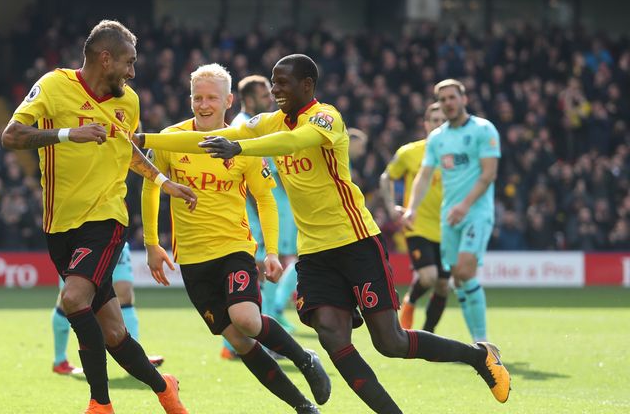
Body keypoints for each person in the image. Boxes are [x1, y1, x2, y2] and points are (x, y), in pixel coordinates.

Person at [134, 55, 510, 412]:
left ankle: (478, 356)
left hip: (355, 239)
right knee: (332, 336)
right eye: (273, 84)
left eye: (282, 83)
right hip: (313, 250)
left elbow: (294, 142)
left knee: (390, 342)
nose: (275, 91)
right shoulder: (270, 121)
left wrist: (240, 146)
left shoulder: (326, 118)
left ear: (307, 84)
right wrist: (146, 139)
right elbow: (207, 138)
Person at [1, 20, 196, 414]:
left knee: (74, 299)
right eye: (129, 62)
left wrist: (163, 180)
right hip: (59, 225)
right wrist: (66, 134)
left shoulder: (130, 102)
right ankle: (165, 389)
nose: (133, 72)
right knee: (113, 333)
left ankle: (100, 404)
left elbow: (129, 152)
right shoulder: (55, 86)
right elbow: (11, 135)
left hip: (107, 219)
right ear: (105, 59)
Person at [141, 63, 329, 414]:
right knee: (240, 343)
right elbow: (151, 187)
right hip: (193, 260)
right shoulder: (170, 139)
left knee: (246, 319)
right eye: (198, 97)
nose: (204, 104)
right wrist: (152, 243)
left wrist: (271, 251)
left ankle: (305, 360)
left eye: (212, 97)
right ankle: (302, 407)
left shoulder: (243, 144)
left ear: (228, 100)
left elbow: (265, 198)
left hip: (234, 249)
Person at [404, 79, 501, 344]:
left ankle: (484, 345)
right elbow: (424, 177)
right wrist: (412, 208)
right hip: (450, 216)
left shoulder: (483, 130)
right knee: (457, 280)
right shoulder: (437, 138)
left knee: (465, 273)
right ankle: (479, 345)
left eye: (452, 97)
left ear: (463, 99)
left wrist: (465, 205)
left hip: (475, 212)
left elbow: (489, 173)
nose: (448, 103)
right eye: (443, 99)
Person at [220, 75, 299, 362]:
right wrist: (261, 227)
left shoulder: (259, 126)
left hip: (266, 213)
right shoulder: (243, 129)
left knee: (260, 278)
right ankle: (249, 343)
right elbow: (252, 185)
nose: (270, 99)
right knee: (255, 277)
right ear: (249, 99)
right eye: (265, 95)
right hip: (252, 217)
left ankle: (239, 344)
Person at [380, 102, 449, 333]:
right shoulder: (410, 152)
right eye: (435, 120)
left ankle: (428, 335)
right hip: (416, 223)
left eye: (444, 120)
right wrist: (391, 207)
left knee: (443, 285)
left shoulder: (457, 155)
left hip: (448, 227)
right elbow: (386, 177)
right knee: (429, 277)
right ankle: (410, 302)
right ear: (426, 124)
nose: (439, 124)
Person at [51, 243, 163, 375]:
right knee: (71, 300)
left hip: (114, 237)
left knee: (125, 294)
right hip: (80, 240)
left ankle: (137, 358)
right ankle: (60, 360)